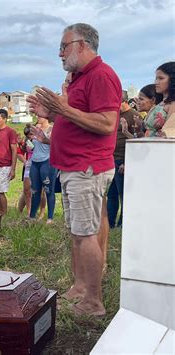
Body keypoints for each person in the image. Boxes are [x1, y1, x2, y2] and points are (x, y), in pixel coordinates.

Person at [27, 23, 121, 317]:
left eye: (63, 46)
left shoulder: (102, 76)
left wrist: (63, 110)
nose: (59, 53)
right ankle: (81, 288)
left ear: (82, 44)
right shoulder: (81, 78)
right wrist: (52, 112)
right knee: (78, 233)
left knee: (86, 233)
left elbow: (107, 123)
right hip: (73, 167)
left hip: (86, 167)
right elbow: (79, 117)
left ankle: (93, 302)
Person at [107, 91, 143, 228]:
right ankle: (110, 223)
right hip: (111, 159)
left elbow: (138, 142)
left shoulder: (134, 116)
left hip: (123, 160)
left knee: (124, 195)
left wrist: (127, 162)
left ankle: (124, 224)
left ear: (124, 101)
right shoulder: (114, 116)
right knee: (111, 194)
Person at [29, 117, 56, 224]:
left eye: (39, 115)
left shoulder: (52, 129)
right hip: (34, 162)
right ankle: (32, 217)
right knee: (35, 191)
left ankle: (50, 218)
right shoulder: (35, 128)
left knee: (49, 190)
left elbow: (56, 144)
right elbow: (31, 144)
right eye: (36, 115)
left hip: (47, 161)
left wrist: (45, 139)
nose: (37, 117)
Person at [145, 62, 175, 137]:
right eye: (156, 78)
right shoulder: (161, 103)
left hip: (161, 147)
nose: (156, 82)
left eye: (161, 78)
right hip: (149, 146)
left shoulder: (173, 104)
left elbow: (170, 132)